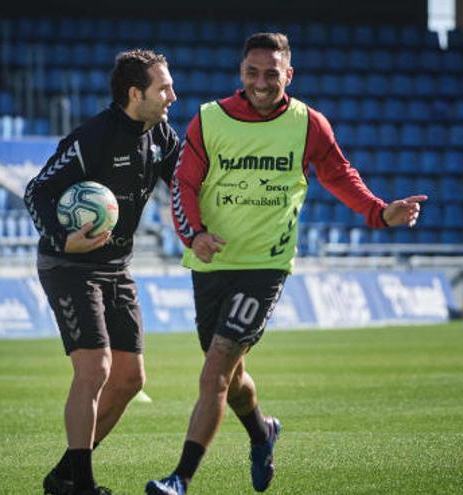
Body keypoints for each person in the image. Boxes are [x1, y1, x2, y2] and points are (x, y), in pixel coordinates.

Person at [146, 33, 426, 495]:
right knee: (231, 380)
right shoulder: (208, 120)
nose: (261, 82)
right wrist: (194, 235)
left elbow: (338, 175)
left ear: (288, 75)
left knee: (215, 369)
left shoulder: (308, 124)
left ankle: (181, 479)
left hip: (266, 265)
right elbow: (184, 185)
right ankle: (263, 432)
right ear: (241, 73)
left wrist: (378, 211)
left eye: (272, 74)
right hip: (211, 262)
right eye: (253, 73)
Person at [24, 49, 179, 495]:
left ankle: (65, 476)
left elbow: (189, 183)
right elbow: (37, 192)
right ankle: (84, 486)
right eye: (163, 87)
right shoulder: (92, 138)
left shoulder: (161, 137)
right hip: (69, 265)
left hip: (118, 267)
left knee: (130, 378)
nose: (173, 95)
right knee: (95, 369)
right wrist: (60, 238)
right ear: (136, 93)